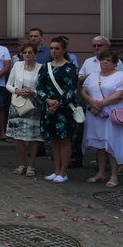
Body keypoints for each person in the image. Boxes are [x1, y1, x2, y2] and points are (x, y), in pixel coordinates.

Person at [36, 36, 79, 184]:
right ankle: (56, 170)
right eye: (52, 48)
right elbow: (39, 87)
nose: (54, 51)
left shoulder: (70, 67)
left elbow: (72, 89)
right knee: (53, 139)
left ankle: (63, 171)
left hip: (64, 109)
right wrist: (48, 101)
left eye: (57, 48)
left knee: (64, 140)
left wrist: (57, 104)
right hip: (49, 108)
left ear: (64, 50)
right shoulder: (45, 67)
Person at [80, 50, 123, 188]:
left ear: (115, 63)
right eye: (103, 59)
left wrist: (101, 104)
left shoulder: (120, 76)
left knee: (111, 144)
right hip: (95, 114)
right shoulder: (92, 76)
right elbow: (83, 91)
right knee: (100, 144)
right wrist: (92, 102)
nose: (104, 62)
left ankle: (114, 175)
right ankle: (101, 173)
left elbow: (119, 94)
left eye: (108, 60)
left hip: (111, 114)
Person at [5, 42, 43, 177]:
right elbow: (8, 85)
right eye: (25, 52)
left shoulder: (41, 68)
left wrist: (33, 92)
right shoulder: (17, 65)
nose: (27, 55)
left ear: (35, 54)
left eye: (30, 52)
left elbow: (43, 88)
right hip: (18, 103)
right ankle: (22, 163)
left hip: (33, 104)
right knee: (19, 136)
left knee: (34, 136)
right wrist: (17, 90)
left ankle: (32, 164)